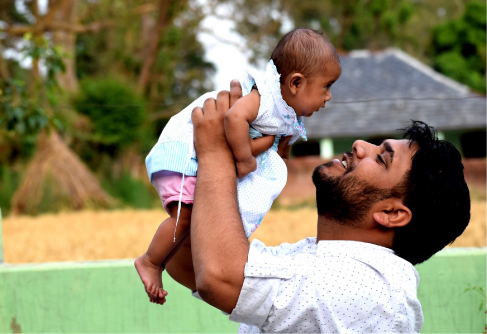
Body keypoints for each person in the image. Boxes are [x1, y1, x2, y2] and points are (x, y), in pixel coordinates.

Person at [164, 81, 471, 333]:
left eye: (382, 158)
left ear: (392, 214)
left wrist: (214, 150)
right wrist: (244, 170)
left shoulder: (364, 286)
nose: (360, 145)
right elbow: (187, 263)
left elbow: (218, 276)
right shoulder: (315, 258)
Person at [135, 28, 342, 304]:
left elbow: (278, 144)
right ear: (295, 83)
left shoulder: (286, 112)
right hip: (186, 156)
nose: (329, 96)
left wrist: (277, 156)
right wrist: (245, 159)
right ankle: (150, 261)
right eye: (326, 87)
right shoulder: (265, 98)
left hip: (204, 160)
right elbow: (233, 119)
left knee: (193, 227)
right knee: (184, 219)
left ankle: (167, 259)